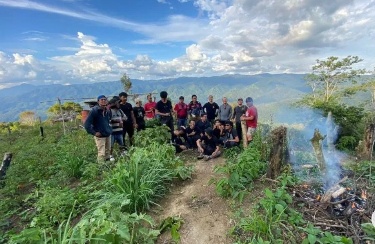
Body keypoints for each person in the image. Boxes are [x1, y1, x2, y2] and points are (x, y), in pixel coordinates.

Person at [84, 95, 112, 163]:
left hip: (107, 134)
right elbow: (87, 124)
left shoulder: (107, 111)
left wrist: (109, 129)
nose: (103, 101)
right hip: (100, 136)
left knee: (108, 151)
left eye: (104, 99)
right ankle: (101, 168)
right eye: (101, 100)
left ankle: (107, 166)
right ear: (98, 101)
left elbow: (108, 121)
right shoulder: (94, 111)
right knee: (101, 152)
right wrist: (94, 132)